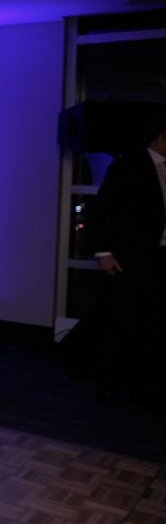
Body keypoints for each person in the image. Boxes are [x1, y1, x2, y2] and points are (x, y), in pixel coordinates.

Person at [91, 110, 166, 408]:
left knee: (156, 323)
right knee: (124, 320)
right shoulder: (130, 166)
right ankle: (110, 382)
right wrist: (104, 252)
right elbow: (102, 209)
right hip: (135, 257)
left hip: (162, 256)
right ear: (161, 137)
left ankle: (147, 387)